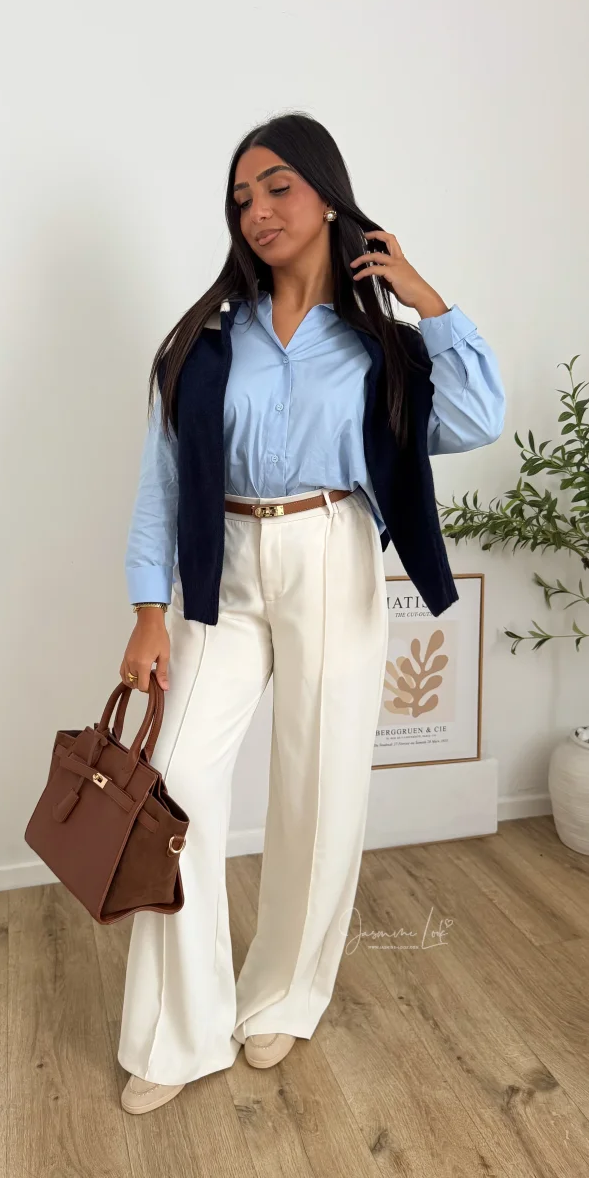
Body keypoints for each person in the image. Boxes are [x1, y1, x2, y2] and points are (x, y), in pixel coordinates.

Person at [116, 112, 505, 1115]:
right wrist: (149, 609)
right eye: (241, 197)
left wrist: (425, 299)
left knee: (318, 787)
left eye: (277, 187)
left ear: (327, 196)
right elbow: (163, 481)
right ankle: (176, 1032)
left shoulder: (380, 347)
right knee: (175, 788)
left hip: (331, 550)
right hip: (222, 562)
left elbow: (477, 417)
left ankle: (283, 994)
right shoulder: (207, 343)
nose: (257, 210)